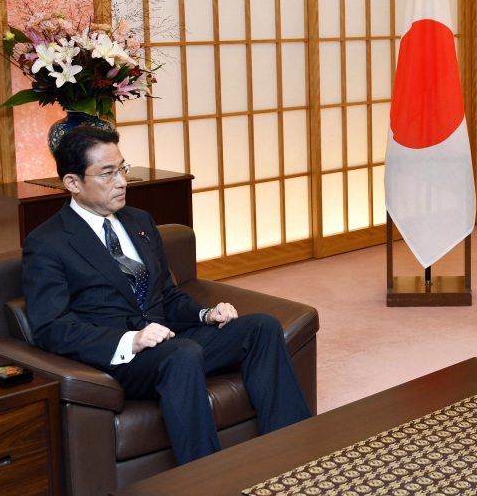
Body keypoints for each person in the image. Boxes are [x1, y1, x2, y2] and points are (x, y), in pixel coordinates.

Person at [22, 126, 311, 464]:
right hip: (122, 359)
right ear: (72, 182)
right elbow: (51, 327)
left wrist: (205, 315)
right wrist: (131, 340)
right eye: (107, 173)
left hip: (170, 342)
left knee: (261, 327)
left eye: (123, 169)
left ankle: (295, 453)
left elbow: (166, 295)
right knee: (182, 354)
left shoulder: (138, 221)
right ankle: (208, 477)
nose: (122, 181)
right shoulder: (47, 243)